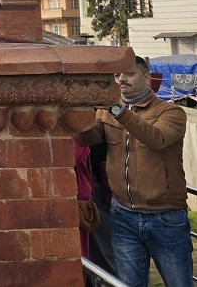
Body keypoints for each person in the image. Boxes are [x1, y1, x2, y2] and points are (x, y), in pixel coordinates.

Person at [76, 56, 192, 287]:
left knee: (178, 283)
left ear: (147, 78)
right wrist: (77, 110)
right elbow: (86, 138)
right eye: (117, 75)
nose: (121, 79)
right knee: (128, 284)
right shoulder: (108, 111)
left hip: (165, 216)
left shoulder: (171, 112)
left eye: (128, 74)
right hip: (123, 215)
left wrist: (118, 110)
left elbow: (156, 138)